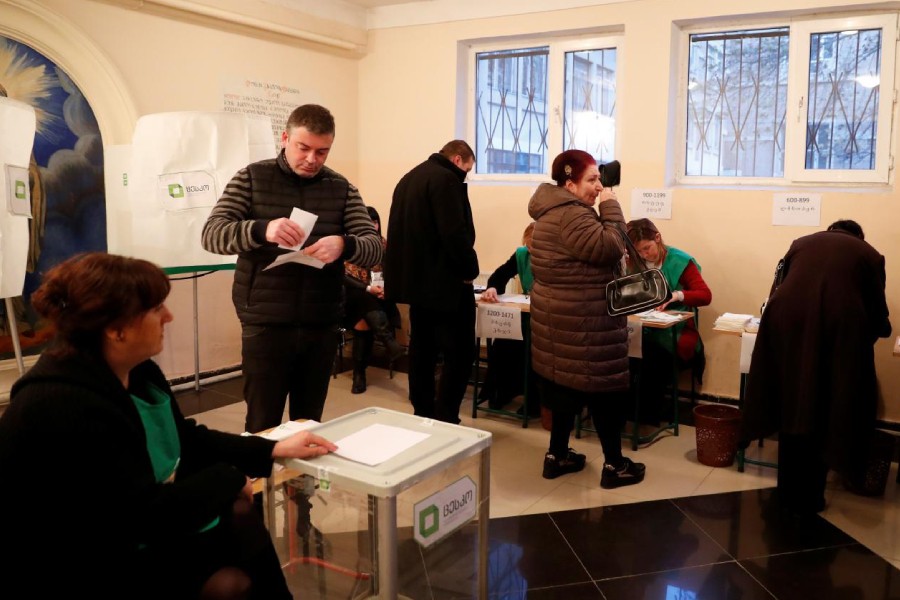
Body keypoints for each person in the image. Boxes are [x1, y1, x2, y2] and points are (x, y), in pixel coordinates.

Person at [0, 252, 339, 599]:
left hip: (130, 528)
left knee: (241, 517)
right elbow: (140, 517)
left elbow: (183, 436)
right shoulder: (61, 405)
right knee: (233, 577)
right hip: (82, 560)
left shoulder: (134, 369)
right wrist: (228, 477)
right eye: (155, 308)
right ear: (116, 330)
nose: (169, 316)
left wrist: (272, 448)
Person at [202, 104, 383, 433]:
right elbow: (212, 235)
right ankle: (260, 484)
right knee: (262, 422)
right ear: (285, 138)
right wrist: (261, 230)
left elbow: (373, 247)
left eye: (322, 151)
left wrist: (345, 244)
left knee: (308, 423)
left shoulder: (341, 189)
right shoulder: (252, 177)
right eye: (304, 148)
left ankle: (301, 485)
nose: (312, 159)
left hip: (321, 322)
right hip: (265, 321)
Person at [740, 219, 891, 515]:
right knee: (824, 410)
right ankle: (812, 496)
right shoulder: (869, 254)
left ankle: (786, 490)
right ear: (858, 235)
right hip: (837, 333)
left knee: (790, 404)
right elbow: (876, 312)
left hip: (786, 326)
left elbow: (777, 289)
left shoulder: (801, 243)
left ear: (831, 229)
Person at [528, 149, 645, 488]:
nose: (598, 186)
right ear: (569, 183)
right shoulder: (572, 215)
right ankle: (615, 466)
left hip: (561, 320)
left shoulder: (551, 213)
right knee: (605, 394)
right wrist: (610, 203)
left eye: (599, 179)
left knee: (564, 390)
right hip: (587, 323)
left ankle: (557, 456)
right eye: (591, 180)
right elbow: (611, 245)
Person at [384, 140, 479, 424]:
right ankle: (447, 415)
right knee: (460, 354)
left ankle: (422, 411)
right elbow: (454, 233)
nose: (466, 175)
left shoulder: (409, 178)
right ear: (458, 159)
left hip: (416, 287)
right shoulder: (446, 180)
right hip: (447, 286)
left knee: (421, 352)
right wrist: (469, 269)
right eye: (468, 169)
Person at [625, 218, 712, 423]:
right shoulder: (632, 262)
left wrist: (677, 296)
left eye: (647, 248)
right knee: (621, 355)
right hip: (642, 328)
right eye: (639, 252)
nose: (644, 255)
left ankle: (644, 416)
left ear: (658, 238)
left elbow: (705, 295)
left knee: (651, 359)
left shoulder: (680, 261)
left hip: (677, 332)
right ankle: (625, 413)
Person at [478, 222, 539, 416]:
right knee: (503, 341)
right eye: (530, 248)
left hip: (546, 320)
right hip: (527, 314)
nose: (532, 252)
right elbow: (501, 274)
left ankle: (533, 401)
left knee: (532, 349)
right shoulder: (522, 255)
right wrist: (493, 287)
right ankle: (499, 393)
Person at [343, 205, 403, 394]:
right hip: (352, 295)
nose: (373, 226)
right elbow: (343, 277)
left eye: (375, 222)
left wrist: (388, 289)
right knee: (361, 304)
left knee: (364, 320)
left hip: (380, 297)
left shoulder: (383, 245)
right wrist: (369, 288)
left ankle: (359, 375)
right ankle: (387, 340)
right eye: (368, 222)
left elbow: (394, 271)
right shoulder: (348, 245)